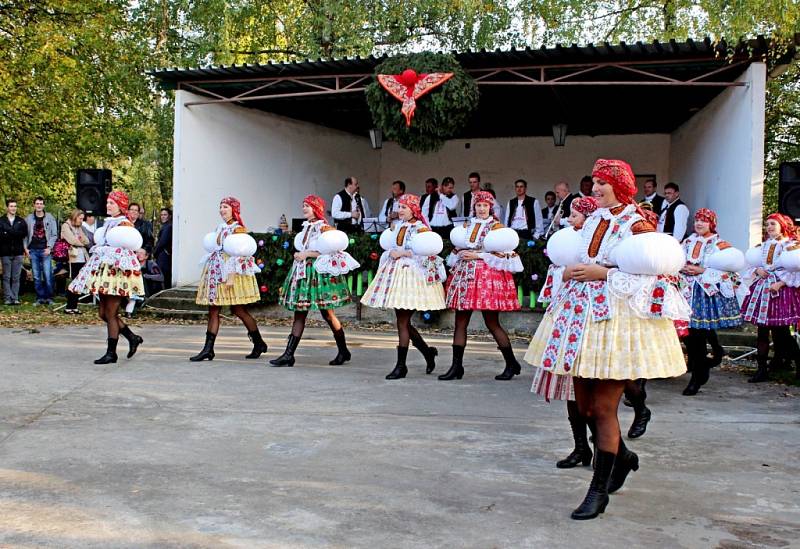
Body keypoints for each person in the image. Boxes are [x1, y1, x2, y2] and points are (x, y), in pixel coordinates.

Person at [525, 159, 688, 520]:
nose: (595, 189)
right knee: (583, 408)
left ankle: (597, 492)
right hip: (580, 319)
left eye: (602, 183)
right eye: (594, 183)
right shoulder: (594, 219)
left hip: (619, 322)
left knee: (602, 409)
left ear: (620, 185)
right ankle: (624, 457)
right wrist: (571, 270)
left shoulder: (639, 221)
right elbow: (578, 257)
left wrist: (605, 272)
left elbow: (655, 271)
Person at [529, 196, 598, 468]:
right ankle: (581, 447)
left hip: (593, 318)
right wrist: (564, 273)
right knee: (571, 387)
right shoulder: (567, 240)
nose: (570, 219)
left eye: (576, 215)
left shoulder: (598, 243)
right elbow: (559, 272)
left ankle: (608, 446)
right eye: (570, 214)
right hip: (567, 315)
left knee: (595, 394)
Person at [361, 194, 445, 379]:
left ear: (413, 209)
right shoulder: (399, 226)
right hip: (397, 274)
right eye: (399, 207)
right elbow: (393, 244)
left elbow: (426, 252)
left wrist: (404, 252)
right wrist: (392, 251)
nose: (400, 210)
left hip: (412, 276)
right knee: (402, 320)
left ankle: (402, 365)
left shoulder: (421, 229)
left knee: (402, 321)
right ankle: (427, 352)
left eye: (404, 208)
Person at [270, 195, 359, 367]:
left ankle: (343, 350)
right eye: (303, 205)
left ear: (316, 208)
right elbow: (305, 248)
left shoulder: (324, 228)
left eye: (308, 206)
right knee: (300, 312)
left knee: (327, 313)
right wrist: (299, 254)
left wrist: (307, 254)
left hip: (318, 273)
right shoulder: (306, 227)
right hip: (303, 272)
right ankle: (289, 355)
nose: (304, 208)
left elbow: (331, 251)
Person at [443, 190, 523, 380]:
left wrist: (477, 255)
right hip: (465, 275)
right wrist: (461, 253)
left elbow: (503, 252)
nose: (481, 209)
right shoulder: (468, 224)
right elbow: (460, 245)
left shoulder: (496, 227)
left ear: (490, 207)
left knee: (492, 322)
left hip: (487, 276)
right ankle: (456, 366)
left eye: (485, 205)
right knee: (460, 321)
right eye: (478, 205)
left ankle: (511, 362)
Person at [68, 191, 145, 364]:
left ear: (120, 205)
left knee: (110, 313)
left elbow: (129, 248)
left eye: (112, 203)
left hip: (116, 274)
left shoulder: (124, 223)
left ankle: (112, 353)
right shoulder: (108, 223)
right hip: (104, 272)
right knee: (103, 313)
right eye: (108, 202)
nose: (108, 205)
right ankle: (132, 337)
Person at [190, 196, 267, 362]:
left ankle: (259, 342)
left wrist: (230, 277)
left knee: (238, 310)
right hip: (217, 271)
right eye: (220, 206)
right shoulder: (220, 227)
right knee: (213, 310)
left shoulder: (238, 229)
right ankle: (208, 349)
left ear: (233, 209)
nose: (222, 210)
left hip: (231, 273)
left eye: (225, 206)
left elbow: (239, 253)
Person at [679, 208, 745, 395]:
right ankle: (702, 366)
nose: (699, 224)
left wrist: (702, 271)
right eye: (697, 220)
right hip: (686, 292)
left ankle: (697, 375)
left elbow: (731, 270)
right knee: (689, 334)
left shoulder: (720, 244)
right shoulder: (688, 241)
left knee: (699, 333)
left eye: (704, 221)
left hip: (705, 295)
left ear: (712, 224)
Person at [740, 213, 800, 382]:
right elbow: (753, 264)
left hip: (780, 290)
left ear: (782, 225)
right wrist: (757, 270)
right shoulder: (763, 245)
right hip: (763, 289)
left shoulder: (791, 245)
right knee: (762, 332)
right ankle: (761, 370)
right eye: (767, 224)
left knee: (782, 333)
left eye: (773, 223)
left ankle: (796, 364)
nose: (769, 227)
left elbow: (796, 269)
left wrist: (780, 283)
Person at [24, 196, 57, 305]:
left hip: (45, 250)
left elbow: (54, 234)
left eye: (41, 203)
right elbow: (24, 235)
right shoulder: (28, 218)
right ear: (34, 205)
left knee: (48, 275)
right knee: (36, 276)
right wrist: (25, 249)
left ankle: (49, 297)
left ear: (44, 205)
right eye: (37, 203)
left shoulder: (50, 217)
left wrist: (49, 247)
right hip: (33, 250)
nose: (39, 205)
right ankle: (40, 297)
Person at [61, 209, 90, 314]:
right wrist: (81, 242)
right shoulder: (66, 226)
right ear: (75, 217)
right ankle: (69, 306)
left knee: (79, 283)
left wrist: (81, 241)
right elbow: (72, 240)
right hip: (73, 258)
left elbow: (86, 240)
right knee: (74, 282)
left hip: (82, 257)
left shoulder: (79, 227)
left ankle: (74, 306)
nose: (81, 221)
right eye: (80, 218)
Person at [0, 199, 26, 305]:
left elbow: (23, 234)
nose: (13, 208)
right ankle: (7, 298)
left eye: (15, 206)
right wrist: (15, 233)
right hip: (5, 252)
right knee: (6, 276)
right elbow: (1, 236)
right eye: (11, 206)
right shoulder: (1, 220)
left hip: (18, 252)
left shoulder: (21, 220)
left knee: (16, 277)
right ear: (7, 207)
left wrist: (8, 231)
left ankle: (15, 298)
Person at [153, 208, 172, 289]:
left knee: (162, 276)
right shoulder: (165, 226)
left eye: (165, 215)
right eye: (161, 215)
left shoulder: (168, 226)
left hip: (163, 255)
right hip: (163, 254)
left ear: (169, 216)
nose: (163, 217)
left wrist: (155, 252)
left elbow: (162, 242)